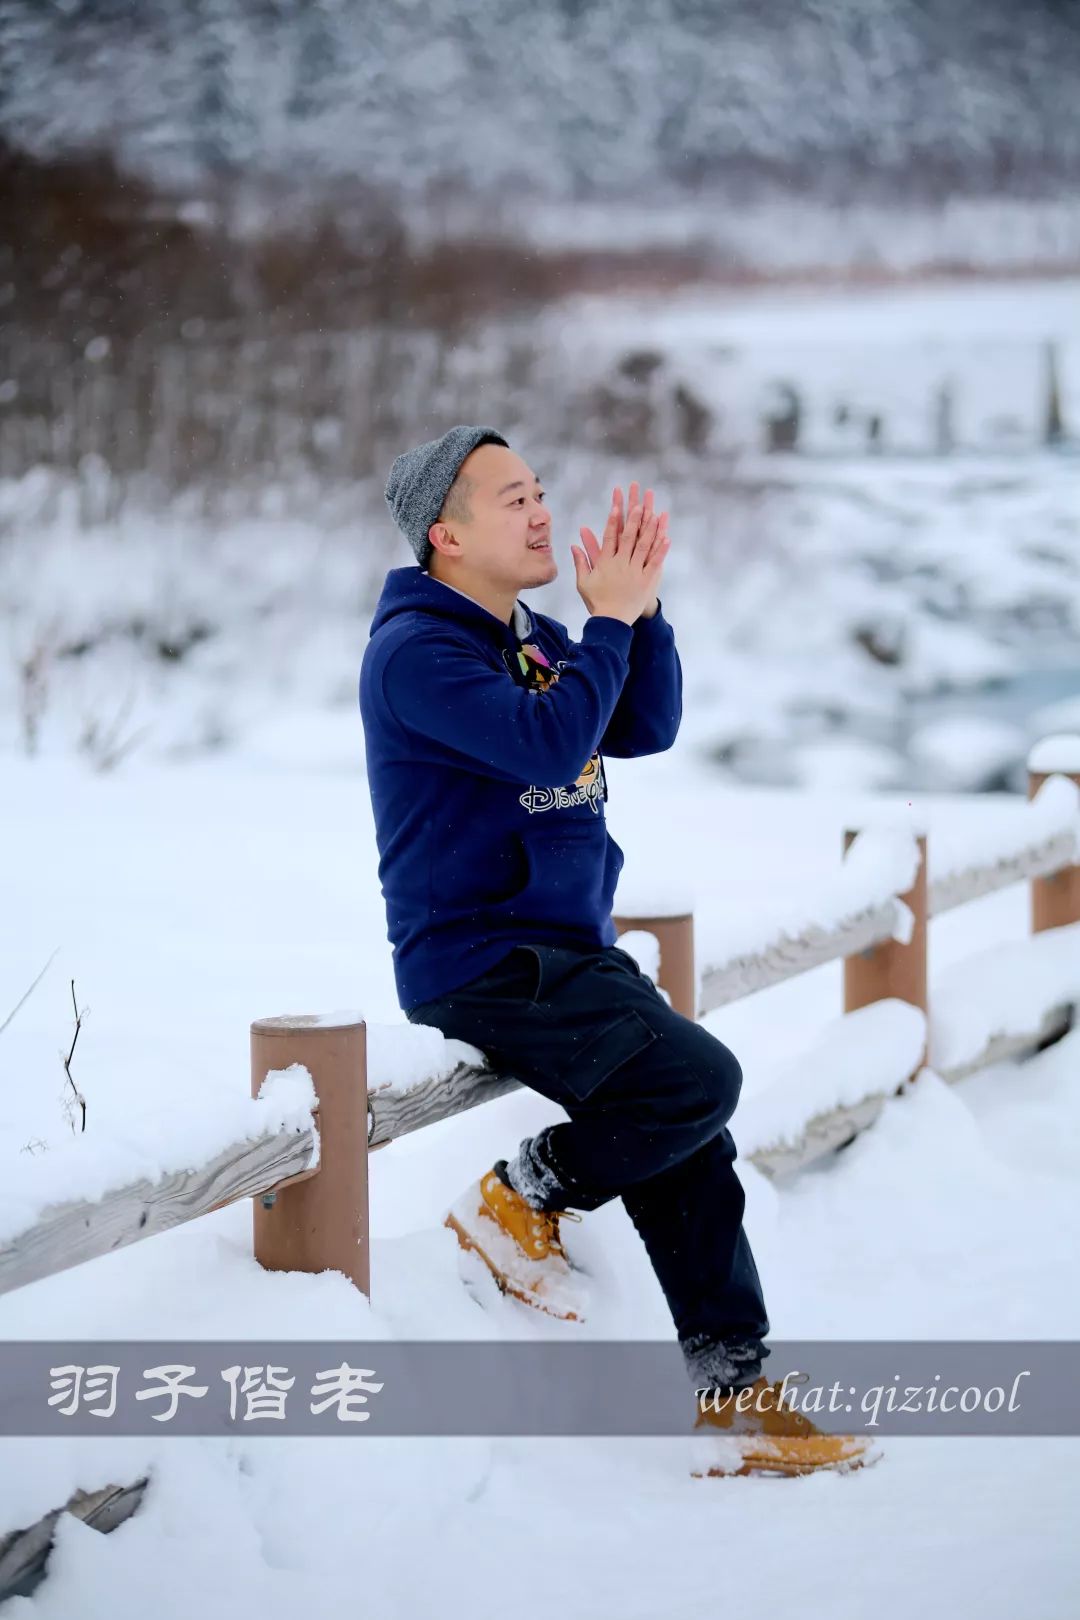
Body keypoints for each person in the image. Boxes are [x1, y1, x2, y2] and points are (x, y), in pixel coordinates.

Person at [359, 424, 874, 1476]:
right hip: (481, 956)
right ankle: (519, 1197)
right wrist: (607, 621)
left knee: (693, 1144)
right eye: (511, 498)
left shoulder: (531, 633)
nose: (542, 509)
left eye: (540, 489)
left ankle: (738, 1390)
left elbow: (642, 725)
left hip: (566, 948)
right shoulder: (418, 653)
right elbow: (550, 740)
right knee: (698, 1082)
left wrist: (639, 616)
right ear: (445, 537)